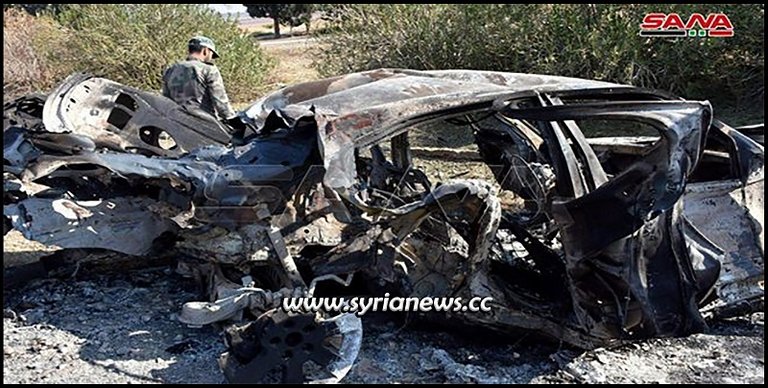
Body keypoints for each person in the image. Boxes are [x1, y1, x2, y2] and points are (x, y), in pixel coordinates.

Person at [162, 36, 237, 122]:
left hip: (177, 121)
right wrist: (232, 119)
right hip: (203, 121)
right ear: (205, 51)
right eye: (212, 54)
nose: (211, 57)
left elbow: (166, 99)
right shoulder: (208, 69)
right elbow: (220, 100)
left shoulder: (171, 69)